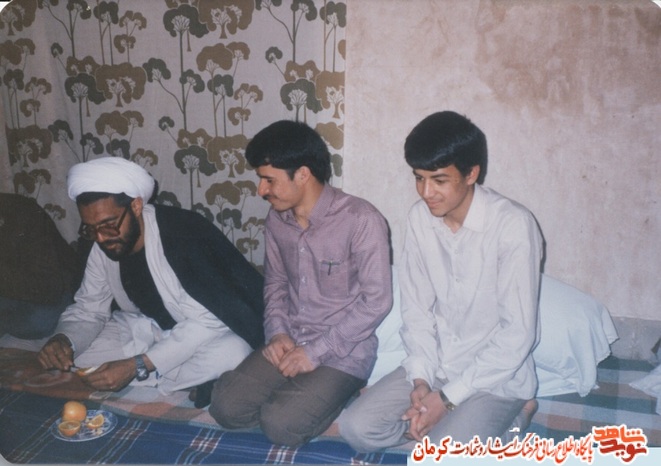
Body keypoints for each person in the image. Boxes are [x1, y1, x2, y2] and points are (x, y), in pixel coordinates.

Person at [338, 111, 543, 451]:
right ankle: (437, 430)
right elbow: (416, 311)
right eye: (419, 178)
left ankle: (517, 418)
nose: (426, 192)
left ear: (471, 173)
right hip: (439, 366)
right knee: (355, 428)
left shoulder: (513, 225)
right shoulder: (420, 219)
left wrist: (446, 400)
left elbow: (517, 335)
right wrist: (421, 380)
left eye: (439, 180)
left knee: (438, 454)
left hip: (495, 378)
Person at [208, 120, 393, 447]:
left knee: (280, 425)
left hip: (344, 351)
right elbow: (276, 284)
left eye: (269, 180)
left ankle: (338, 391)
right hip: (292, 338)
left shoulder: (361, 219)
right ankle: (300, 393)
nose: (261, 190)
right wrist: (277, 332)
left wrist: (315, 353)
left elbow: (377, 302)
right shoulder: (277, 220)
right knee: (225, 407)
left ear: (303, 174)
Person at [33, 157, 264, 408]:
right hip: (145, 329)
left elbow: (211, 320)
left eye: (108, 225)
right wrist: (64, 340)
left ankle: (151, 374)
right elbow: (89, 308)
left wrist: (138, 365)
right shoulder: (100, 242)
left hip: (202, 331)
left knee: (234, 353)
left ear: (136, 206)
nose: (100, 238)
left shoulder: (184, 233)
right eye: (90, 228)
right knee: (79, 357)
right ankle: (182, 378)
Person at [0, 193, 82, 340]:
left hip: (53, 286)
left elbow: (49, 288)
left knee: (40, 320)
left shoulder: (23, 213)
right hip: (13, 291)